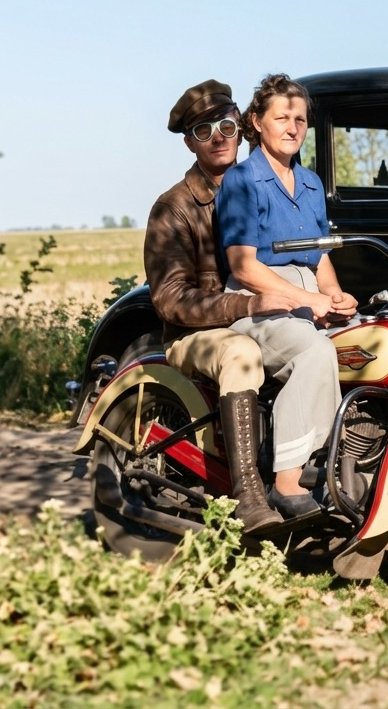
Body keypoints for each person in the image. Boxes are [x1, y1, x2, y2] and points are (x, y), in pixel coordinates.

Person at [145, 79, 295, 532]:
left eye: (226, 125)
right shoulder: (173, 208)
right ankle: (249, 494)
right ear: (190, 143)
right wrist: (245, 305)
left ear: (242, 128)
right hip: (197, 336)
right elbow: (169, 297)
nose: (219, 138)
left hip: (261, 316)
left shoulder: (265, 187)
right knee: (241, 354)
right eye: (204, 131)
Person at [216, 73, 357, 518]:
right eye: (282, 117)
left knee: (372, 345)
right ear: (257, 122)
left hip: (308, 295)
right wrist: (305, 301)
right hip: (259, 300)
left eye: (300, 119)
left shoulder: (311, 184)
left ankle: (349, 462)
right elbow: (243, 266)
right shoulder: (241, 181)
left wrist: (334, 297)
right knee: (314, 351)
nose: (293, 127)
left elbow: (320, 259)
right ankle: (287, 481)